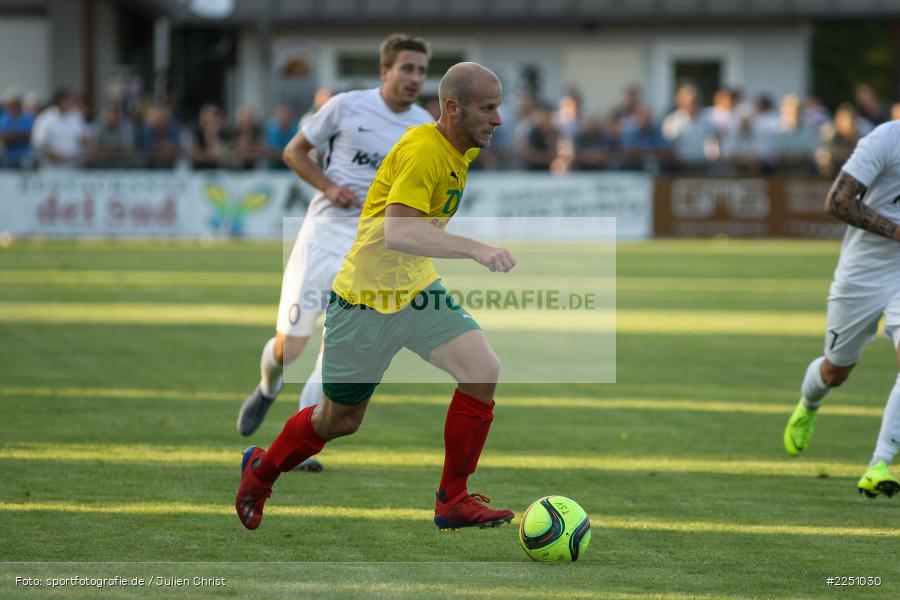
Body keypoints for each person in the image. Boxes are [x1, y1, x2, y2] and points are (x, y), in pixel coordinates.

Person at [235, 61, 516, 532]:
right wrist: (476, 250)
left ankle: (453, 499)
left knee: (482, 370)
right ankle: (260, 472)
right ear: (453, 107)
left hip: (415, 292)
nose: (498, 120)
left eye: (498, 109)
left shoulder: (457, 150)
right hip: (364, 301)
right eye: (488, 109)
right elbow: (400, 233)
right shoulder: (425, 151)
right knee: (338, 420)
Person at [236, 34, 434, 474]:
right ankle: (267, 387)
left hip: (371, 251)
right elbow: (294, 152)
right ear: (386, 71)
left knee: (338, 349)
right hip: (322, 237)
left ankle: (299, 442)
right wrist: (329, 186)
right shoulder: (346, 106)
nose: (415, 78)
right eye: (407, 69)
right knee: (291, 347)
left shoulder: (424, 129)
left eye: (421, 71)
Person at [783, 119, 900, 499]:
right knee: (835, 371)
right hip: (863, 273)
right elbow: (838, 201)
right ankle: (809, 402)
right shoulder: (886, 139)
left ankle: (879, 463)